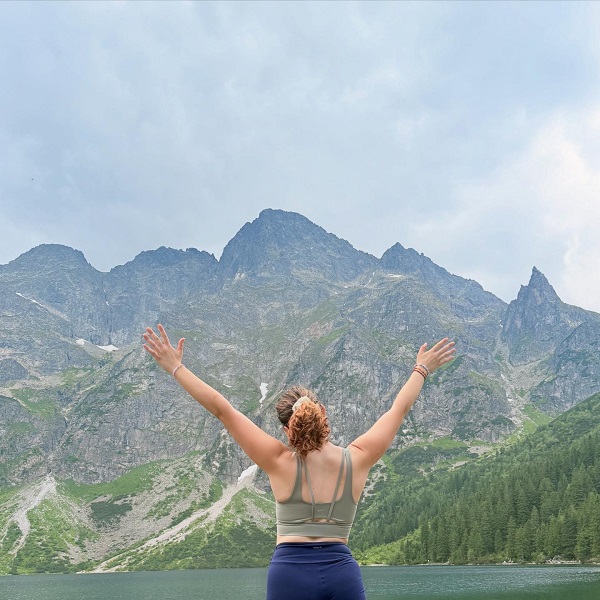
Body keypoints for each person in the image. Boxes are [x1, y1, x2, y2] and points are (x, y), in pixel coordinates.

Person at [143, 324, 455, 600]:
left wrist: (176, 367)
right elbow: (398, 409)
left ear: (286, 429)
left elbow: (222, 409)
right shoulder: (358, 458)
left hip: (289, 573)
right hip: (342, 573)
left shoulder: (278, 461)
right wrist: (421, 369)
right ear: (323, 413)